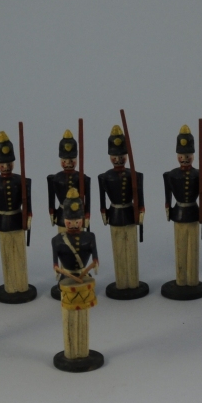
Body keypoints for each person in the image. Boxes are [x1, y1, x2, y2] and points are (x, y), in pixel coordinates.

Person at [0, 131, 37, 303]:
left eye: (8, 163)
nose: (5, 167)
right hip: (3, 222)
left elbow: (28, 203)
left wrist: (28, 216)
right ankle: (10, 285)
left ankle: (22, 285)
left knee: (20, 255)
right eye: (2, 164)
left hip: (18, 220)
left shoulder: (22, 181)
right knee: (6, 256)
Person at [52, 188, 104, 372]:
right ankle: (71, 351)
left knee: (84, 316)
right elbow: (55, 263)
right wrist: (57, 269)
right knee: (68, 317)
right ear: (64, 220)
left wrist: (95, 263)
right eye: (70, 221)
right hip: (67, 278)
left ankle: (82, 350)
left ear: (82, 220)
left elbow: (95, 257)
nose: (74, 225)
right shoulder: (57, 240)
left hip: (83, 277)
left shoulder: (90, 237)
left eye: (77, 221)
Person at [98, 125, 148, 299]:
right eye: (115, 157)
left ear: (126, 156)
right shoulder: (104, 177)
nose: (118, 160)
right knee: (118, 250)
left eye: (121, 156)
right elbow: (102, 200)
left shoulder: (135, 175)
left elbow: (140, 197)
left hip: (130, 214)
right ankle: (121, 282)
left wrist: (141, 212)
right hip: (115, 215)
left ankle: (133, 281)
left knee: (131, 250)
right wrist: (104, 213)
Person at [161, 125, 202, 300]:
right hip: (179, 214)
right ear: (177, 156)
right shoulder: (171, 175)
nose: (185, 158)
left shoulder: (200, 174)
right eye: (182, 155)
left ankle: (193, 280)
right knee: (180, 248)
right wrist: (168, 209)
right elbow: (168, 197)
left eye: (188, 155)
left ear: (193, 156)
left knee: (193, 249)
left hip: (193, 214)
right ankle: (181, 280)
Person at [47, 130, 92, 230]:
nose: (68, 163)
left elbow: (87, 200)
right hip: (62, 216)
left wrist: (87, 215)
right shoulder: (56, 178)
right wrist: (52, 212)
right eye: (64, 160)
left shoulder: (83, 178)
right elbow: (51, 198)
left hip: (79, 217)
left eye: (71, 160)